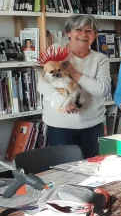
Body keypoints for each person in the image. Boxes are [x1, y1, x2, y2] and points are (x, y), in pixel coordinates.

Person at [38, 14, 112, 158]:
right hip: (60, 126)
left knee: (92, 171)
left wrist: (73, 72)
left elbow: (102, 90)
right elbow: (43, 84)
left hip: (92, 126)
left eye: (89, 31)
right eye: (78, 29)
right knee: (62, 172)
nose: (83, 34)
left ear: (95, 35)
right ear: (68, 32)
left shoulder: (100, 59)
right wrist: (64, 103)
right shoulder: (56, 51)